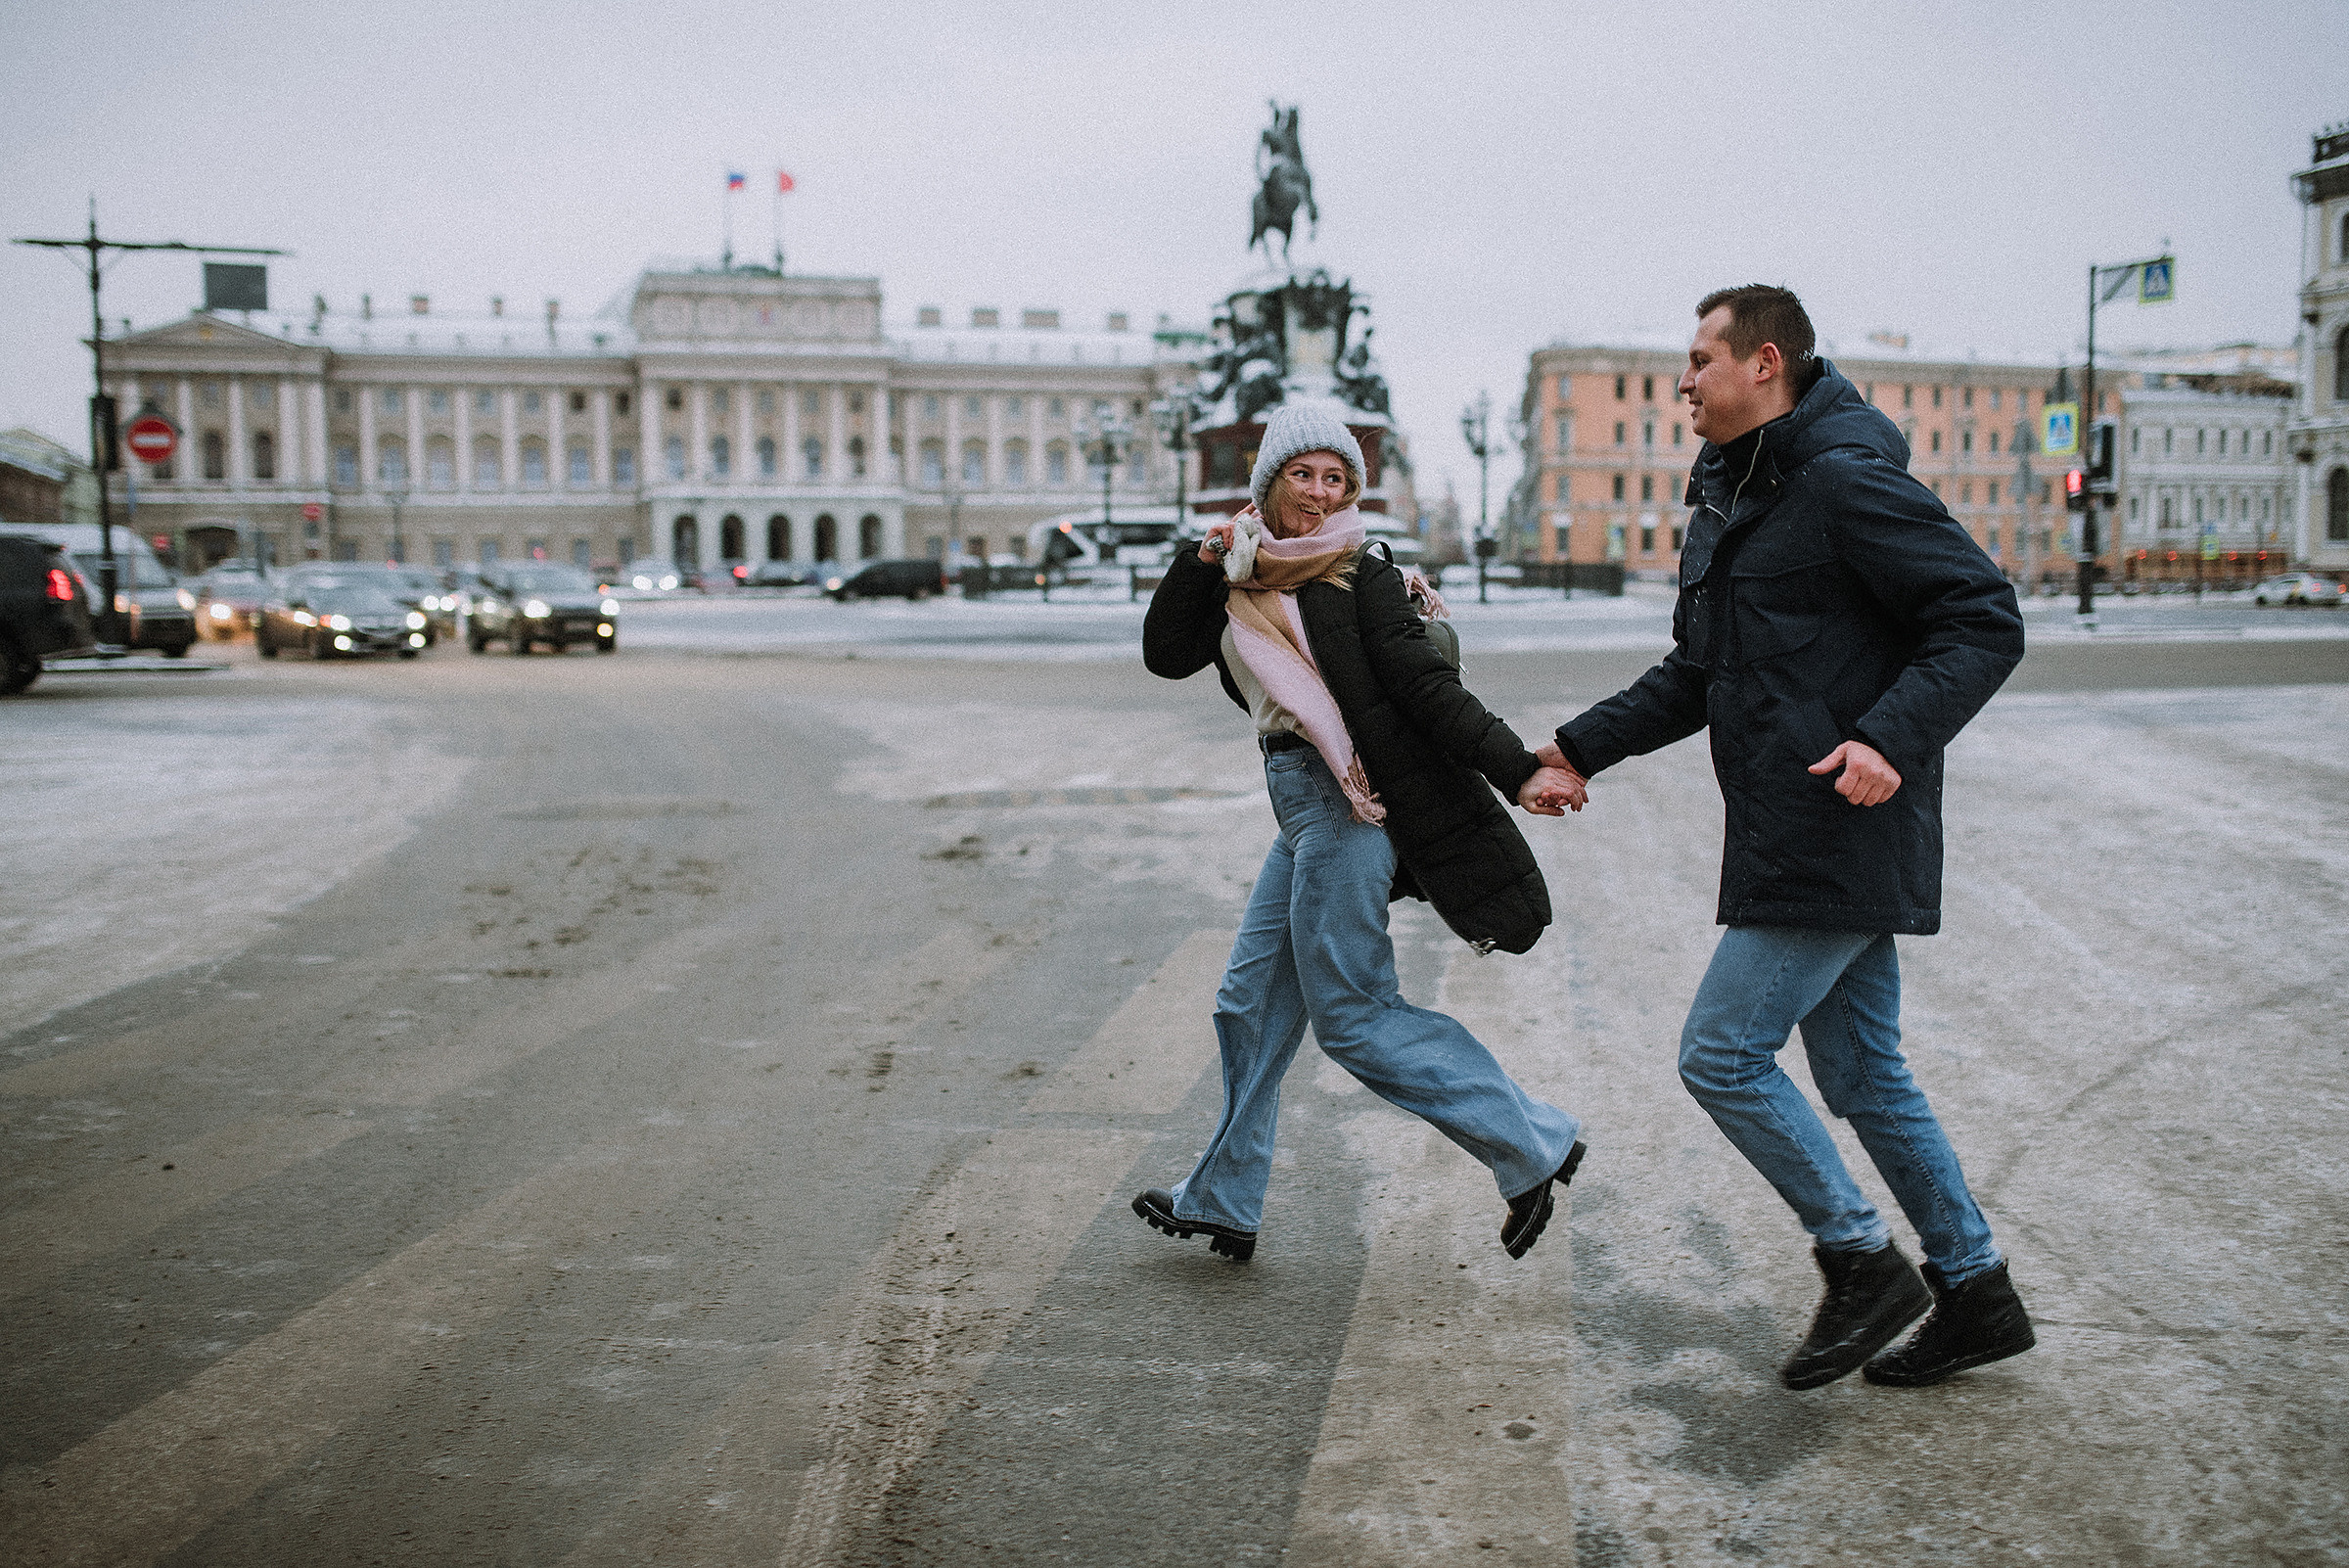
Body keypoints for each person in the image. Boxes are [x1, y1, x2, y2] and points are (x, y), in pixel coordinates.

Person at [1537, 286, 2037, 1390]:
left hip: (1836, 826)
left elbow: (1983, 618)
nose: (1682, 383)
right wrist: (1575, 749)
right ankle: (1977, 1293)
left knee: (1721, 1055)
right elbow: (1698, 673)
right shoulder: (1734, 494)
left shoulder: (1845, 482)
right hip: (1791, 827)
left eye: (1699, 360)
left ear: (1765, 363)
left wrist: (1889, 738)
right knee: (1865, 1075)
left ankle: (1860, 1261)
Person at [1134, 401, 1589, 1265]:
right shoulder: (1241, 571)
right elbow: (1167, 653)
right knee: (1248, 1006)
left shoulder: (1360, 574)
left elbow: (1427, 689)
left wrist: (1519, 768)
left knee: (1352, 1016)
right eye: (1302, 474)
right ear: (1269, 481)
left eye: (1335, 478)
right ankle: (1224, 1198)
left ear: (1351, 491)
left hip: (1349, 804)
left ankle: (1531, 1142)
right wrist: (1199, 562)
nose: (1318, 492)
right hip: (1301, 808)